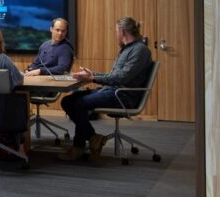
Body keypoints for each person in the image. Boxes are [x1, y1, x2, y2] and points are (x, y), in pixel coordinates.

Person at [58, 16, 153, 161]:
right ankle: (93, 137)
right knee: (68, 101)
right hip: (112, 91)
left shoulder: (140, 50)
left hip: (123, 96)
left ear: (121, 31)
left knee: (79, 104)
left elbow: (122, 78)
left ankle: (78, 147)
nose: (116, 34)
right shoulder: (126, 49)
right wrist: (92, 74)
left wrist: (92, 79)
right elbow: (113, 75)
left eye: (116, 31)